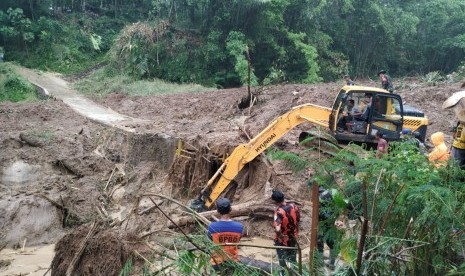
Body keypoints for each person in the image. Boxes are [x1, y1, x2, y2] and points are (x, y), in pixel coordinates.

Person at [208, 198, 244, 273]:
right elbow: (238, 240)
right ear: (230, 209)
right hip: (232, 262)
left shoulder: (212, 227)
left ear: (218, 211)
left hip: (217, 262)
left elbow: (210, 241)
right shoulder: (239, 227)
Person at [271, 190, 300, 275]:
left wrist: (281, 236)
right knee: (293, 259)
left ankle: (283, 274)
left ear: (275, 201)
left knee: (282, 260)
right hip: (293, 237)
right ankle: (294, 273)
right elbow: (298, 220)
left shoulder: (279, 212)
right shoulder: (294, 207)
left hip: (282, 241)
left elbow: (277, 228)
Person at [317, 186, 337, 269]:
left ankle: (320, 263)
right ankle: (332, 263)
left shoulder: (320, 197)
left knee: (320, 244)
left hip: (322, 224)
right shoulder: (332, 194)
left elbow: (320, 212)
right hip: (330, 223)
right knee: (332, 244)